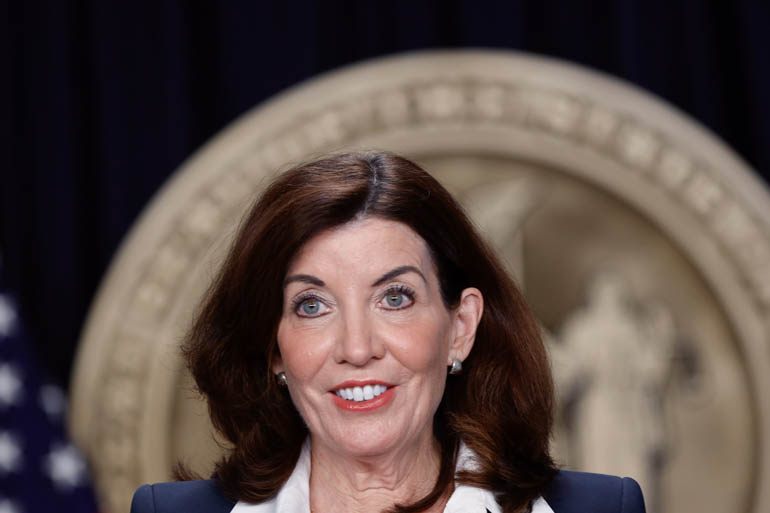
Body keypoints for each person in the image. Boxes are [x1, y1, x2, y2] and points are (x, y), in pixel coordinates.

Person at [130, 151, 646, 513]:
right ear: (274, 347)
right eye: (312, 305)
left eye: (394, 298)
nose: (358, 348)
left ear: (460, 327)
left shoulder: (603, 509)